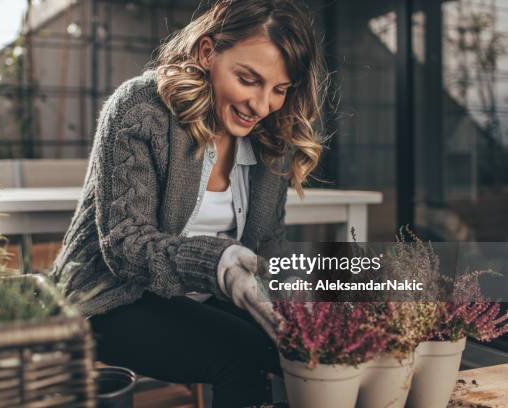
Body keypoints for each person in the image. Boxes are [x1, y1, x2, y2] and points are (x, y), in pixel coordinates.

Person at [51, 0, 326, 406]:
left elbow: (267, 245)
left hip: (196, 297)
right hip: (109, 298)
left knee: (301, 348)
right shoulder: (141, 109)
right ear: (208, 53)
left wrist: (292, 294)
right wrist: (217, 263)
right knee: (239, 356)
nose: (262, 105)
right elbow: (126, 247)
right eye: (248, 79)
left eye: (280, 89)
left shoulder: (271, 139)